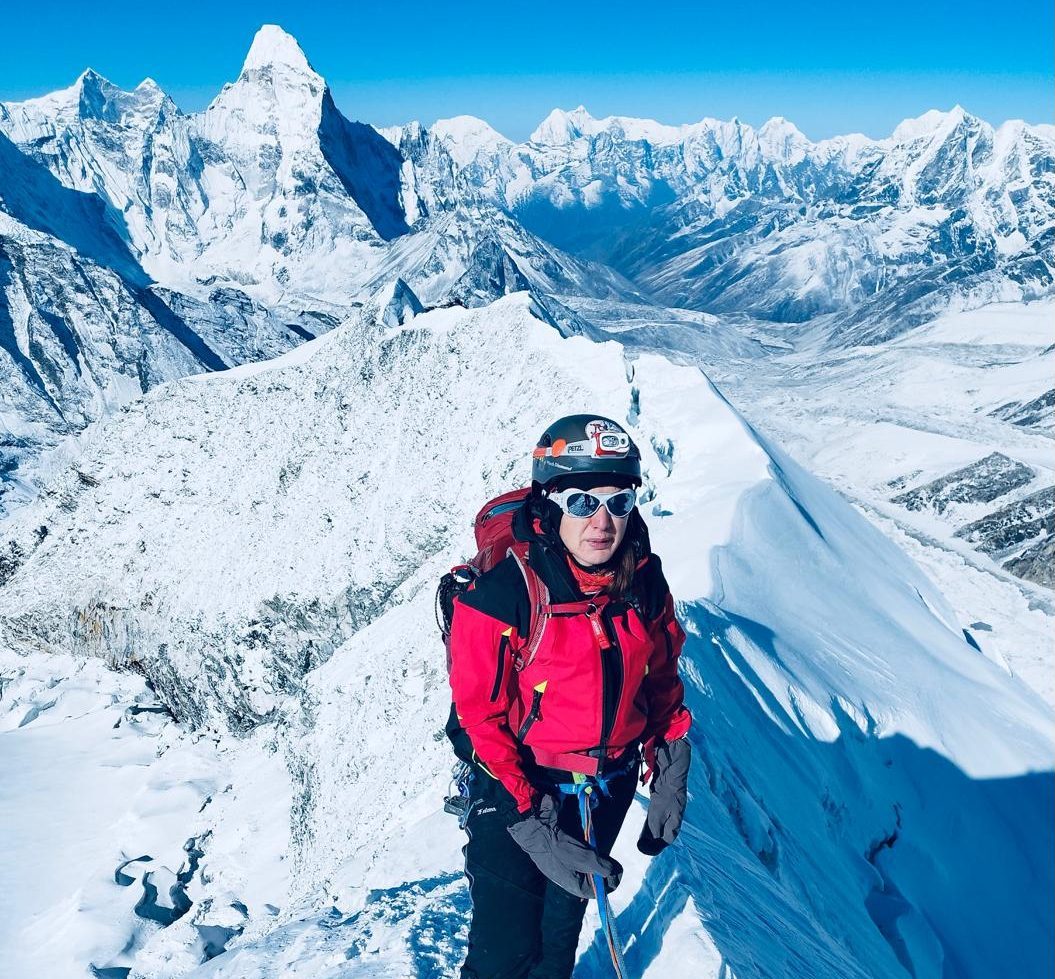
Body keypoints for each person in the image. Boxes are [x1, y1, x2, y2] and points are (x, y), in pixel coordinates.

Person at [446, 414, 693, 979]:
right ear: (551, 502)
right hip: (518, 792)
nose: (602, 521)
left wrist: (671, 760)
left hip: (605, 788)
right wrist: (532, 820)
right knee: (502, 957)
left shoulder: (644, 584)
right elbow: (478, 719)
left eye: (619, 501)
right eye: (583, 502)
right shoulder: (503, 594)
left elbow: (660, 682)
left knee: (559, 944)